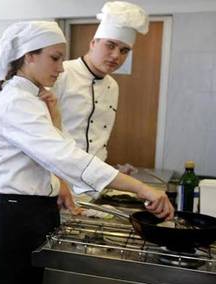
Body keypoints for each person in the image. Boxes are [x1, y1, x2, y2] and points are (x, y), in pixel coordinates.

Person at [0, 20, 173, 284]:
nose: (60, 67)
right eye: (54, 58)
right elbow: (67, 156)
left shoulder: (33, 98)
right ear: (29, 56)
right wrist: (142, 189)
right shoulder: (16, 102)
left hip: (34, 215)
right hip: (16, 221)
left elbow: (46, 157)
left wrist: (60, 181)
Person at [51, 1, 149, 174]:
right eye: (110, 45)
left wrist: (112, 170)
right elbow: (46, 135)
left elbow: (95, 142)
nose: (116, 56)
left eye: (124, 50)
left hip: (93, 180)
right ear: (93, 43)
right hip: (59, 177)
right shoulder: (62, 74)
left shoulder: (113, 86)